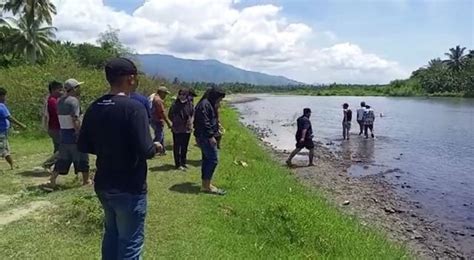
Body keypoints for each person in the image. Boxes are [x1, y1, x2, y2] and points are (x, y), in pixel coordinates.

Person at [78, 57, 162, 260]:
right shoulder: (134, 108)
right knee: (130, 243)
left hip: (104, 184)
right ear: (131, 78)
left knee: (112, 234)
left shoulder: (95, 106)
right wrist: (156, 146)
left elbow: (84, 145)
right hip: (129, 186)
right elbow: (146, 150)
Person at [49, 79, 90, 187]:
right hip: (73, 133)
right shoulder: (73, 101)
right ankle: (86, 181)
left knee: (63, 159)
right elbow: (75, 118)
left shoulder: (60, 101)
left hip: (63, 134)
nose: (80, 89)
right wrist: (79, 133)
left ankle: (52, 179)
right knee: (82, 158)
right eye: (78, 87)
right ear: (74, 88)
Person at [194, 87, 226, 195]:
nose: (219, 102)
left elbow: (210, 120)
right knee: (213, 160)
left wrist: (217, 126)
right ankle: (206, 186)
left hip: (204, 136)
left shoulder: (207, 104)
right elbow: (204, 123)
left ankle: (206, 184)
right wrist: (211, 136)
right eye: (219, 99)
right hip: (205, 137)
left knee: (207, 160)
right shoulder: (204, 105)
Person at [0, 87, 27, 169]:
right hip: (1, 132)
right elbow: (9, 117)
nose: (5, 98)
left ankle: (12, 165)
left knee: (5, 148)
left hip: (3, 131)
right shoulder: (1, 106)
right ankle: (12, 165)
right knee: (4, 150)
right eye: (4, 96)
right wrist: (21, 124)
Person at [168, 89, 194, 170]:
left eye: (183, 95)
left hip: (187, 129)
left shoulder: (190, 104)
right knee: (177, 146)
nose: (182, 96)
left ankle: (184, 162)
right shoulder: (175, 105)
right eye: (180, 95)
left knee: (185, 146)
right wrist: (176, 122)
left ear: (186, 95)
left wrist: (191, 122)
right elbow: (170, 115)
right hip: (177, 129)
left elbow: (192, 114)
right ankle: (178, 164)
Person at [42, 81, 64, 171]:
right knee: (63, 149)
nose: (61, 92)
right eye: (60, 90)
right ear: (54, 90)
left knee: (58, 148)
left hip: (54, 128)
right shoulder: (52, 101)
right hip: (56, 129)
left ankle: (56, 166)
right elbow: (58, 114)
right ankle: (47, 164)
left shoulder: (52, 100)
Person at [151, 86, 172, 154]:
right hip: (157, 121)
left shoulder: (155, 97)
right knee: (158, 137)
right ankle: (152, 150)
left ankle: (162, 151)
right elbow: (162, 113)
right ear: (161, 92)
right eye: (165, 93)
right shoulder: (158, 100)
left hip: (154, 120)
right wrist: (168, 122)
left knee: (161, 135)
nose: (166, 95)